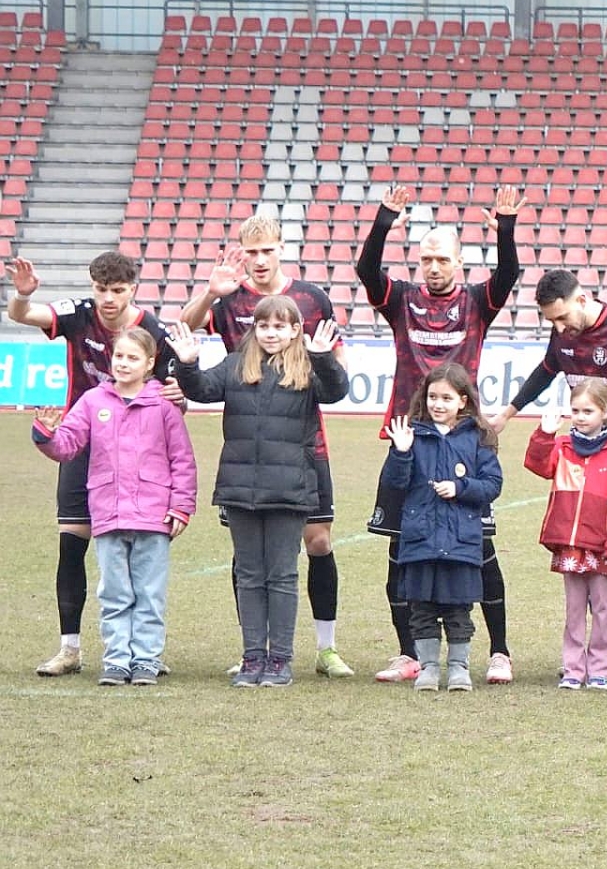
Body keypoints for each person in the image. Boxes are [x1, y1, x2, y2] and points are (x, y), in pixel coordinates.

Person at [358, 184, 522, 686]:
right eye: (426, 259)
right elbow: (366, 270)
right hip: (408, 440)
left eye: (442, 259)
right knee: (400, 550)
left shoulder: (476, 303)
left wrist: (506, 230)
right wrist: (385, 221)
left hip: (465, 441)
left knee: (481, 551)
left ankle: (499, 652)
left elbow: (508, 274)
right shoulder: (401, 301)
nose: (433, 267)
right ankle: (409, 653)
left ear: (459, 263)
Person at [179, 212, 354, 679]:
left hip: (302, 446)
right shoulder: (228, 298)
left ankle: (324, 648)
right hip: (247, 449)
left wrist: (323, 360)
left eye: (266, 251)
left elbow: (336, 373)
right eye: (251, 252)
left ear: (281, 249)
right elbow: (186, 329)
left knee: (316, 542)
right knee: (250, 561)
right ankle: (253, 652)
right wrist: (210, 293)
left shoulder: (312, 298)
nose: (258, 260)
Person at [8, 252, 176, 677]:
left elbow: (173, 392)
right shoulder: (79, 314)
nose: (108, 298)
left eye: (117, 290)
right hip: (82, 441)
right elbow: (22, 314)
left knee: (139, 555)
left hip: (134, 454)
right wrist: (22, 296)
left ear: (133, 289)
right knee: (71, 542)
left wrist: (181, 394)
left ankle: (143, 652)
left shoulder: (153, 331)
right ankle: (70, 649)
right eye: (101, 289)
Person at [496, 268, 607, 683]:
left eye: (562, 317)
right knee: (593, 558)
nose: (558, 327)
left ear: (582, 300)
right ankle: (597, 658)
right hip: (587, 458)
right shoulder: (563, 336)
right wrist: (507, 414)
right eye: (551, 321)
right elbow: (544, 371)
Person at [31, 329, 196, 687]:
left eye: (133, 358)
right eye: (119, 356)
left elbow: (182, 460)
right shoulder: (93, 401)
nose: (123, 363)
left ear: (149, 363)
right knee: (114, 593)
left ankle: (146, 660)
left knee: (149, 594)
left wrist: (181, 506)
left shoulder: (163, 405)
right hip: (108, 513)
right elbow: (68, 446)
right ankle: (117, 660)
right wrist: (47, 435)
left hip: (153, 516)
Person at [381, 365, 504, 693]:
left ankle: (459, 668)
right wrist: (401, 453)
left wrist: (460, 488)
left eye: (446, 398)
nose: (438, 404)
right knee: (421, 609)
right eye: (433, 396)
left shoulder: (477, 438)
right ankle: (429, 668)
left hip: (461, 541)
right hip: (420, 540)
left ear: (462, 401)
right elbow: (394, 483)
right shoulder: (413, 434)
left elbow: (492, 484)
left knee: (458, 608)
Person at [525, 380, 607, 691]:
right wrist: (544, 435)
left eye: (588, 411)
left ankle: (601, 667)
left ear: (606, 411)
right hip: (569, 545)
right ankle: (573, 668)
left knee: (603, 609)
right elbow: (537, 465)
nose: (580, 417)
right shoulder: (562, 447)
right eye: (575, 410)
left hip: (603, 546)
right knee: (574, 610)